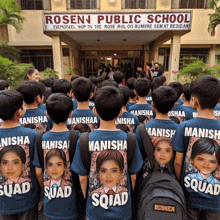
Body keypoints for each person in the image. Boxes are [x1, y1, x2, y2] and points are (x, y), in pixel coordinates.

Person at [71, 86, 143, 220]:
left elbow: (82, 177)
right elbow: (133, 176)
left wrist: (88, 198)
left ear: (95, 111)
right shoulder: (130, 139)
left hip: (94, 211)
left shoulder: (85, 139)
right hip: (123, 211)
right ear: (121, 112)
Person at [172, 75, 220, 219]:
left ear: (195, 101)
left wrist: (180, 183)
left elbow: (178, 162)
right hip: (215, 200)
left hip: (189, 197)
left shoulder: (184, 126)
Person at [33, 93, 81, 220]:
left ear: (47, 114)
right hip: (73, 204)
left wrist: (44, 190)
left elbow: (38, 171)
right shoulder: (77, 137)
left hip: (50, 206)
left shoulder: (40, 139)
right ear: (71, 114)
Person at [0, 90, 39, 219]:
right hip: (28, 200)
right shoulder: (33, 135)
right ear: (18, 112)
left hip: (3, 204)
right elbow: (38, 170)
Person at [135, 86, 178, 161]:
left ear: (152, 104)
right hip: (170, 171)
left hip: (147, 171)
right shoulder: (179, 129)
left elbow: (136, 157)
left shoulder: (141, 129)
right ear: (173, 106)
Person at [184, 138, 220, 219]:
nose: (206, 164)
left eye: (212, 161)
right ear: (193, 160)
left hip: (212, 208)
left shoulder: (216, 183)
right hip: (192, 205)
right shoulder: (189, 177)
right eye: (201, 159)